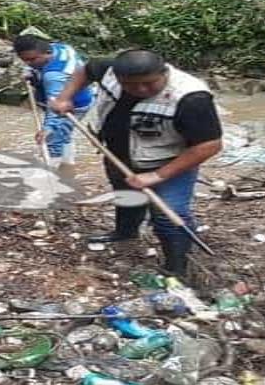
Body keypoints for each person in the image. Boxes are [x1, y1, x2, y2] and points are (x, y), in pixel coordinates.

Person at [49, 50, 223, 279]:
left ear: (164, 73)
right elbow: (86, 71)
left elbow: (209, 145)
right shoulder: (110, 69)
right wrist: (65, 97)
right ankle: (125, 232)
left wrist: (158, 175)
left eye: (149, 83)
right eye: (131, 85)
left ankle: (177, 267)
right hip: (117, 153)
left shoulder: (191, 98)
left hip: (169, 163)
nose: (140, 90)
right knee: (126, 196)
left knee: (168, 215)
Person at [13, 35, 95, 169]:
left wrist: (48, 129)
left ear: (48, 53)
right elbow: (33, 65)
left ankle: (53, 174)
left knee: (52, 140)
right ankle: (68, 164)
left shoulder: (53, 76)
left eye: (32, 59)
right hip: (82, 98)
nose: (28, 63)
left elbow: (56, 107)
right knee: (63, 133)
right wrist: (30, 71)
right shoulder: (61, 48)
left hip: (70, 106)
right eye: (24, 60)